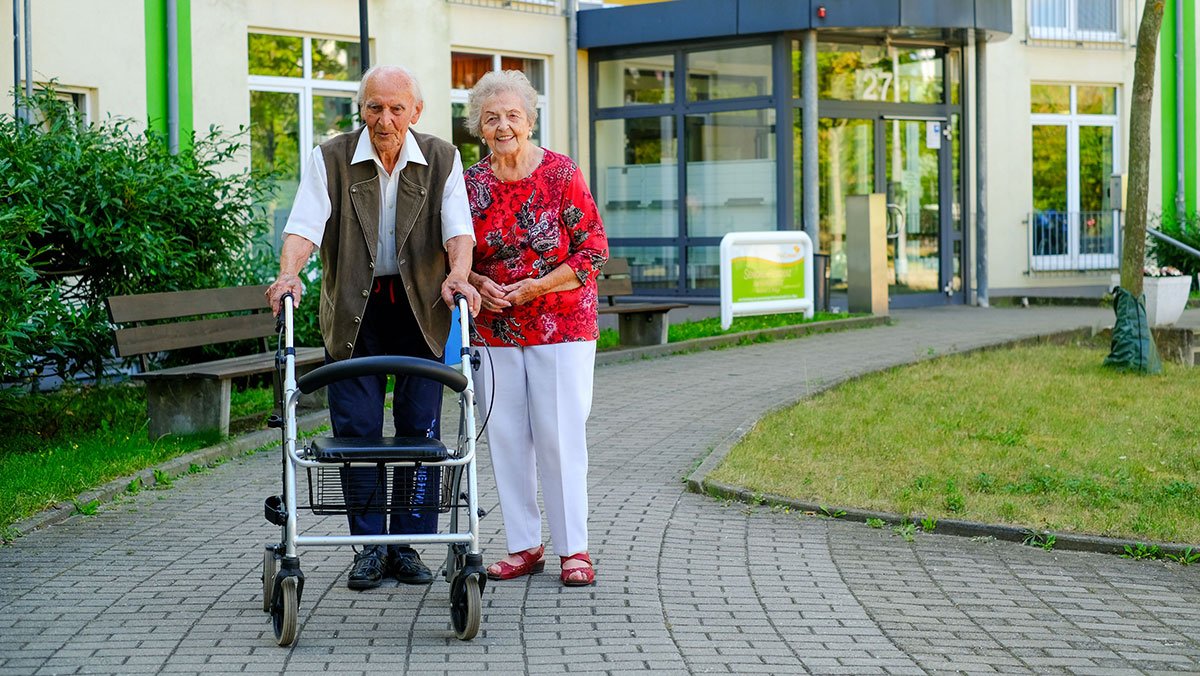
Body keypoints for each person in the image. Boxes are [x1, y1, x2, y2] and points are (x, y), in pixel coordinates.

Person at [266, 65, 481, 591]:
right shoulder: (331, 158)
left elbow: (458, 230)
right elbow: (304, 226)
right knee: (356, 432)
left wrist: (458, 275)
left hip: (420, 309)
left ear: (416, 111)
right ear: (361, 108)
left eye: (396, 108)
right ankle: (369, 547)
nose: (384, 120)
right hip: (353, 312)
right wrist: (289, 274)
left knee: (419, 429)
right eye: (374, 107)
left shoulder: (442, 158)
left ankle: (406, 545)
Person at [462, 70, 608, 587]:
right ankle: (524, 545)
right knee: (505, 436)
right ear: (479, 127)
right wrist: (476, 281)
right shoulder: (468, 184)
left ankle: (574, 549)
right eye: (491, 117)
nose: (503, 126)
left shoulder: (561, 173)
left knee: (559, 436)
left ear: (530, 121)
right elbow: (451, 255)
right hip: (494, 327)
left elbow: (593, 250)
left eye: (513, 116)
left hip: (560, 324)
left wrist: (536, 287)